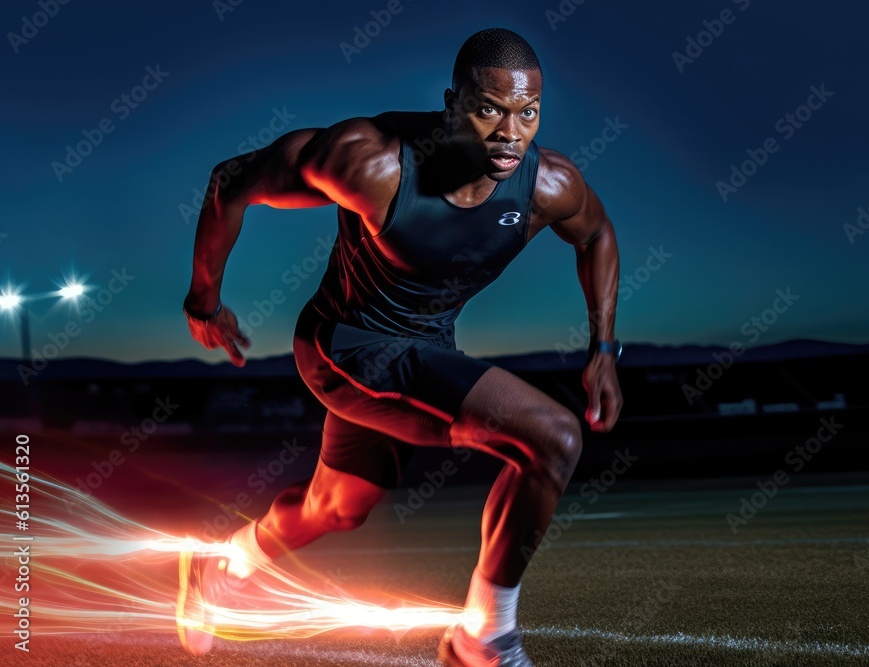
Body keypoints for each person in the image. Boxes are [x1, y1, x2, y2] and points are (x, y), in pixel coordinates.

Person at [176, 27, 623, 667]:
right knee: (553, 436)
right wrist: (204, 301)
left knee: (336, 507)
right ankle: (484, 636)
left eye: (527, 113)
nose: (509, 133)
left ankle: (224, 566)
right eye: (488, 109)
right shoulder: (372, 161)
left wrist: (604, 346)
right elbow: (232, 180)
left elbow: (597, 236)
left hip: (423, 349)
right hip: (345, 347)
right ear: (451, 102)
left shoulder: (548, 185)